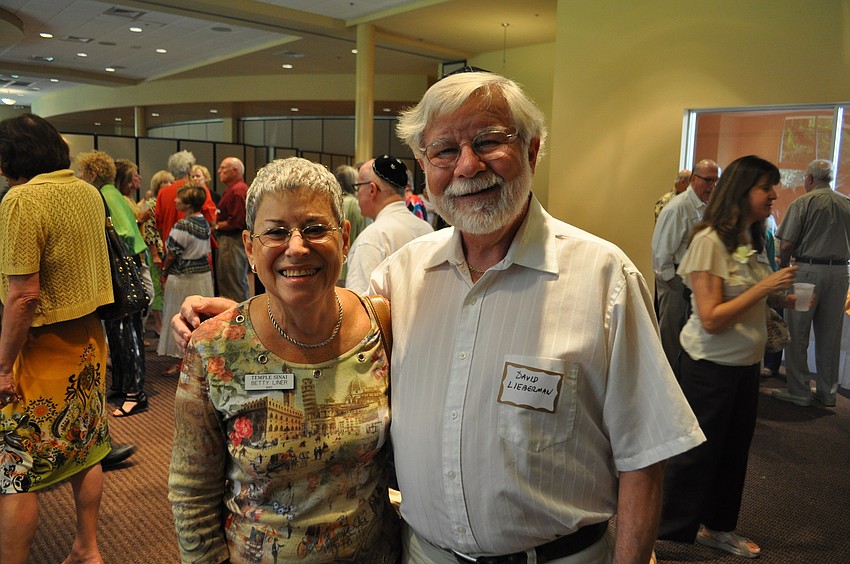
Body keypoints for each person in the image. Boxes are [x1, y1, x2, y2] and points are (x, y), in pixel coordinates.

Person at [175, 70, 704, 564]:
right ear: (424, 169)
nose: (468, 166)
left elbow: (645, 455)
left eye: (489, 141)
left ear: (533, 149)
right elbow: (325, 319)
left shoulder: (603, 278)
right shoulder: (401, 278)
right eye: (445, 150)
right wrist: (243, 321)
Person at [167, 157, 399, 563]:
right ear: (250, 247)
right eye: (276, 232)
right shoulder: (214, 348)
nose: (296, 247)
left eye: (314, 229)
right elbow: (191, 492)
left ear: (343, 239)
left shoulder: (381, 324)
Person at [658, 155, 798, 558]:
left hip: (742, 366)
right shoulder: (708, 241)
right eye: (765, 187)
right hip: (709, 368)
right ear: (742, 192)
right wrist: (764, 286)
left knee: (733, 453)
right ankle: (654, 534)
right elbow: (712, 317)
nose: (774, 195)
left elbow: (743, 291)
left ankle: (718, 527)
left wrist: (780, 295)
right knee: (694, 457)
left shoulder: (746, 240)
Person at [0, 113, 113, 562]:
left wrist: (3, 365)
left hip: (39, 351)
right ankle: (87, 548)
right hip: (88, 341)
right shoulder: (87, 192)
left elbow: (24, 295)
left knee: (14, 469)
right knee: (86, 449)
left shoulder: (21, 200)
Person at [77, 150, 150, 418]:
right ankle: (123, 386)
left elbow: (125, 235)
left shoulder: (105, 194)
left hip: (121, 273)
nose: (78, 177)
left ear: (93, 174)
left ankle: (134, 393)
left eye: (82, 172)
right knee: (120, 332)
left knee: (126, 332)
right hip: (123, 271)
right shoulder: (109, 193)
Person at [772, 159, 850, 407]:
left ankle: (799, 390)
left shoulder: (803, 202)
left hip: (807, 271)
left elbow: (786, 243)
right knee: (830, 334)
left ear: (809, 179)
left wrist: (783, 267)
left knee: (798, 331)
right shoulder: (846, 203)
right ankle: (827, 392)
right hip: (840, 273)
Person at [652, 159, 719, 375]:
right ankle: (665, 384)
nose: (712, 186)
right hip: (677, 280)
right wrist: (673, 283)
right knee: (671, 336)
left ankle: (681, 382)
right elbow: (662, 252)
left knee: (687, 335)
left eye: (715, 181)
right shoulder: (677, 208)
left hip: (694, 280)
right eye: (708, 180)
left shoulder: (705, 206)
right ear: (693, 179)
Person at [345, 155, 433, 294]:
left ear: (372, 190)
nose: (358, 194)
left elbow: (361, 305)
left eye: (358, 187)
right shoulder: (426, 229)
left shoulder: (371, 239)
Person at [157, 184, 214, 372]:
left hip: (183, 278)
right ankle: (197, 359)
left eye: (179, 199)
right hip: (203, 276)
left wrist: (164, 271)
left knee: (181, 318)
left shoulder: (183, 225)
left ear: (188, 204)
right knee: (200, 319)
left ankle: (183, 362)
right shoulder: (204, 222)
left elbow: (172, 253)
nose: (175, 200)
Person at [156, 150, 217, 244]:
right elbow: (211, 219)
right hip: (196, 246)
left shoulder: (162, 193)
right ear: (189, 168)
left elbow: (159, 224)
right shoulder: (200, 190)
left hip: (171, 245)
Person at [214, 157, 250, 301]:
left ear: (235, 171)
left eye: (223, 168)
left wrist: (215, 225)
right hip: (230, 242)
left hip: (232, 242)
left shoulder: (238, 191)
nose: (219, 171)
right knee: (230, 282)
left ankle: (239, 319)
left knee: (233, 283)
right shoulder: (233, 190)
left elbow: (236, 221)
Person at [143, 170, 173, 336]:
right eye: (164, 182)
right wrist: (154, 253)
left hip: (166, 248)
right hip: (156, 251)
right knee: (157, 286)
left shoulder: (167, 202)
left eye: (170, 182)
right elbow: (150, 231)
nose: (168, 185)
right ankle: (159, 324)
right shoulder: (152, 204)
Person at [334, 164, 367, 286]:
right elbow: (362, 233)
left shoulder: (332, 202)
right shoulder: (355, 204)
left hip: (333, 267)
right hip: (349, 266)